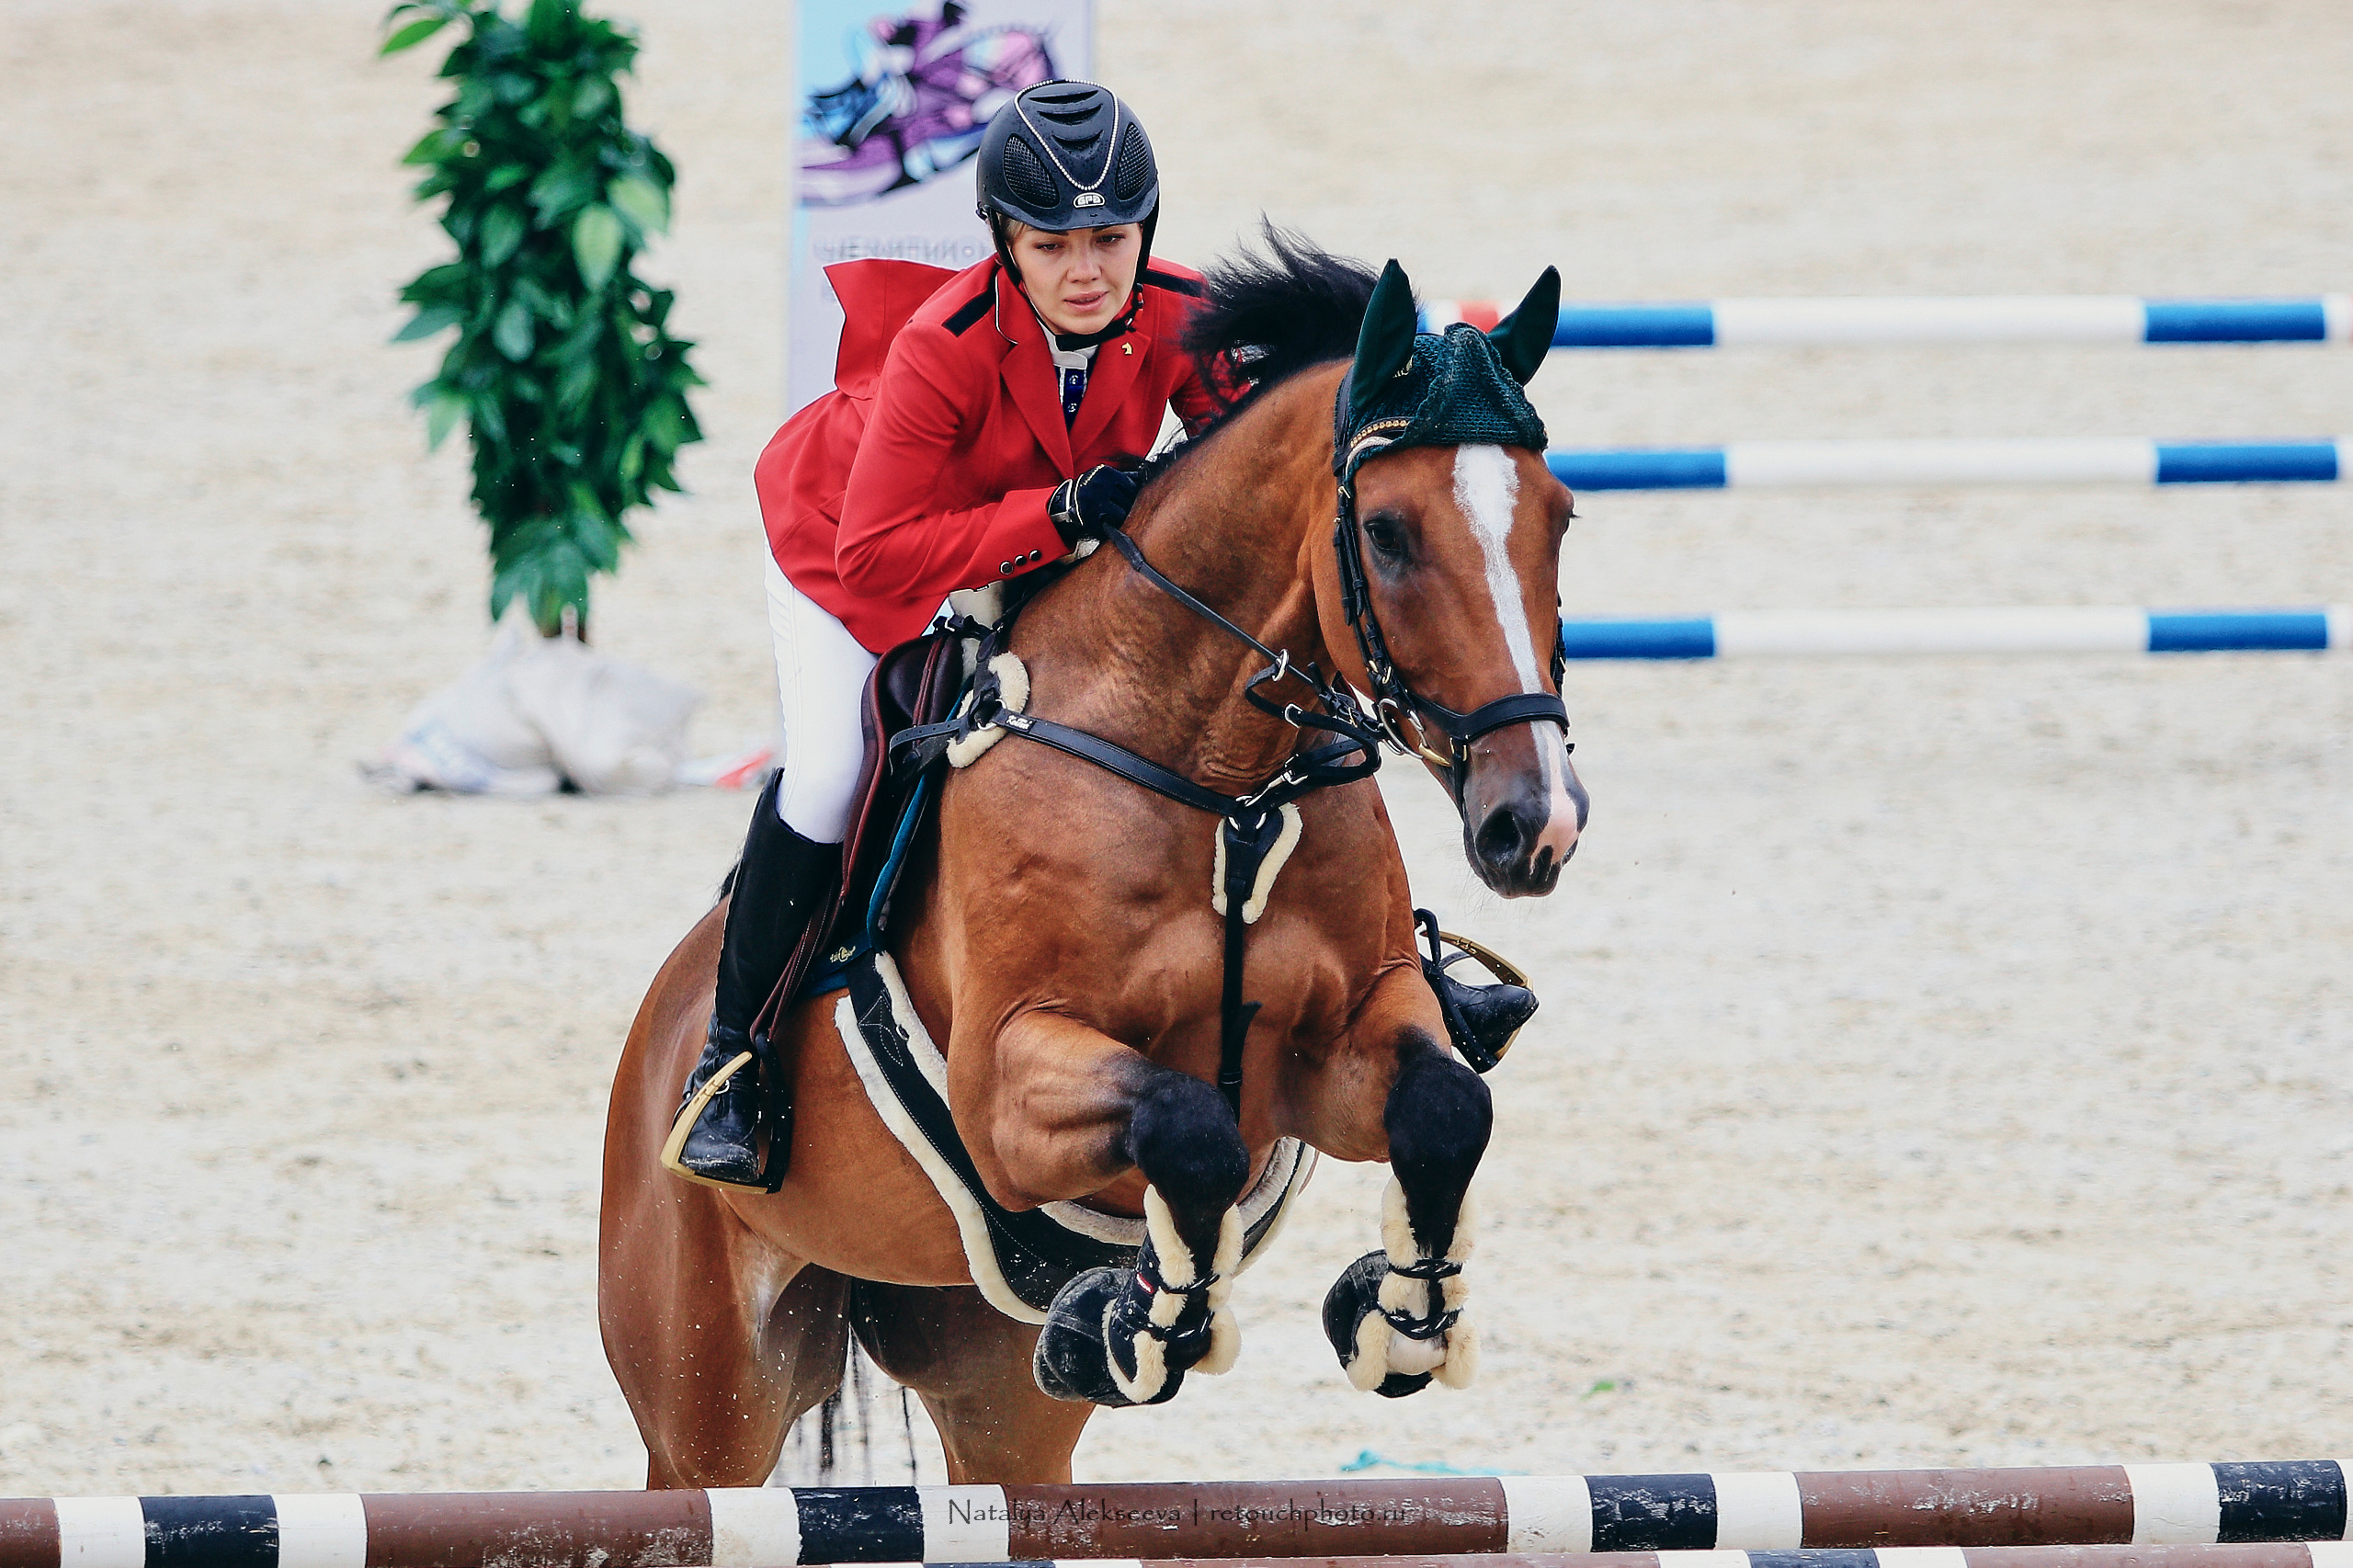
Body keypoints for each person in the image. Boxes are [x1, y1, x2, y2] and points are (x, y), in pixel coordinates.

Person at [665, 81, 1226, 1189]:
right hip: (848, 553)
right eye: (1053, 243)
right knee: (833, 769)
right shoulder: (945, 343)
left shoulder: (1177, 311)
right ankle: (732, 1062)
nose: (1086, 271)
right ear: (1003, 242)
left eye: (1111, 239)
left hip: (1021, 562)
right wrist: (1058, 515)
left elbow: (1245, 465)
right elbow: (880, 553)